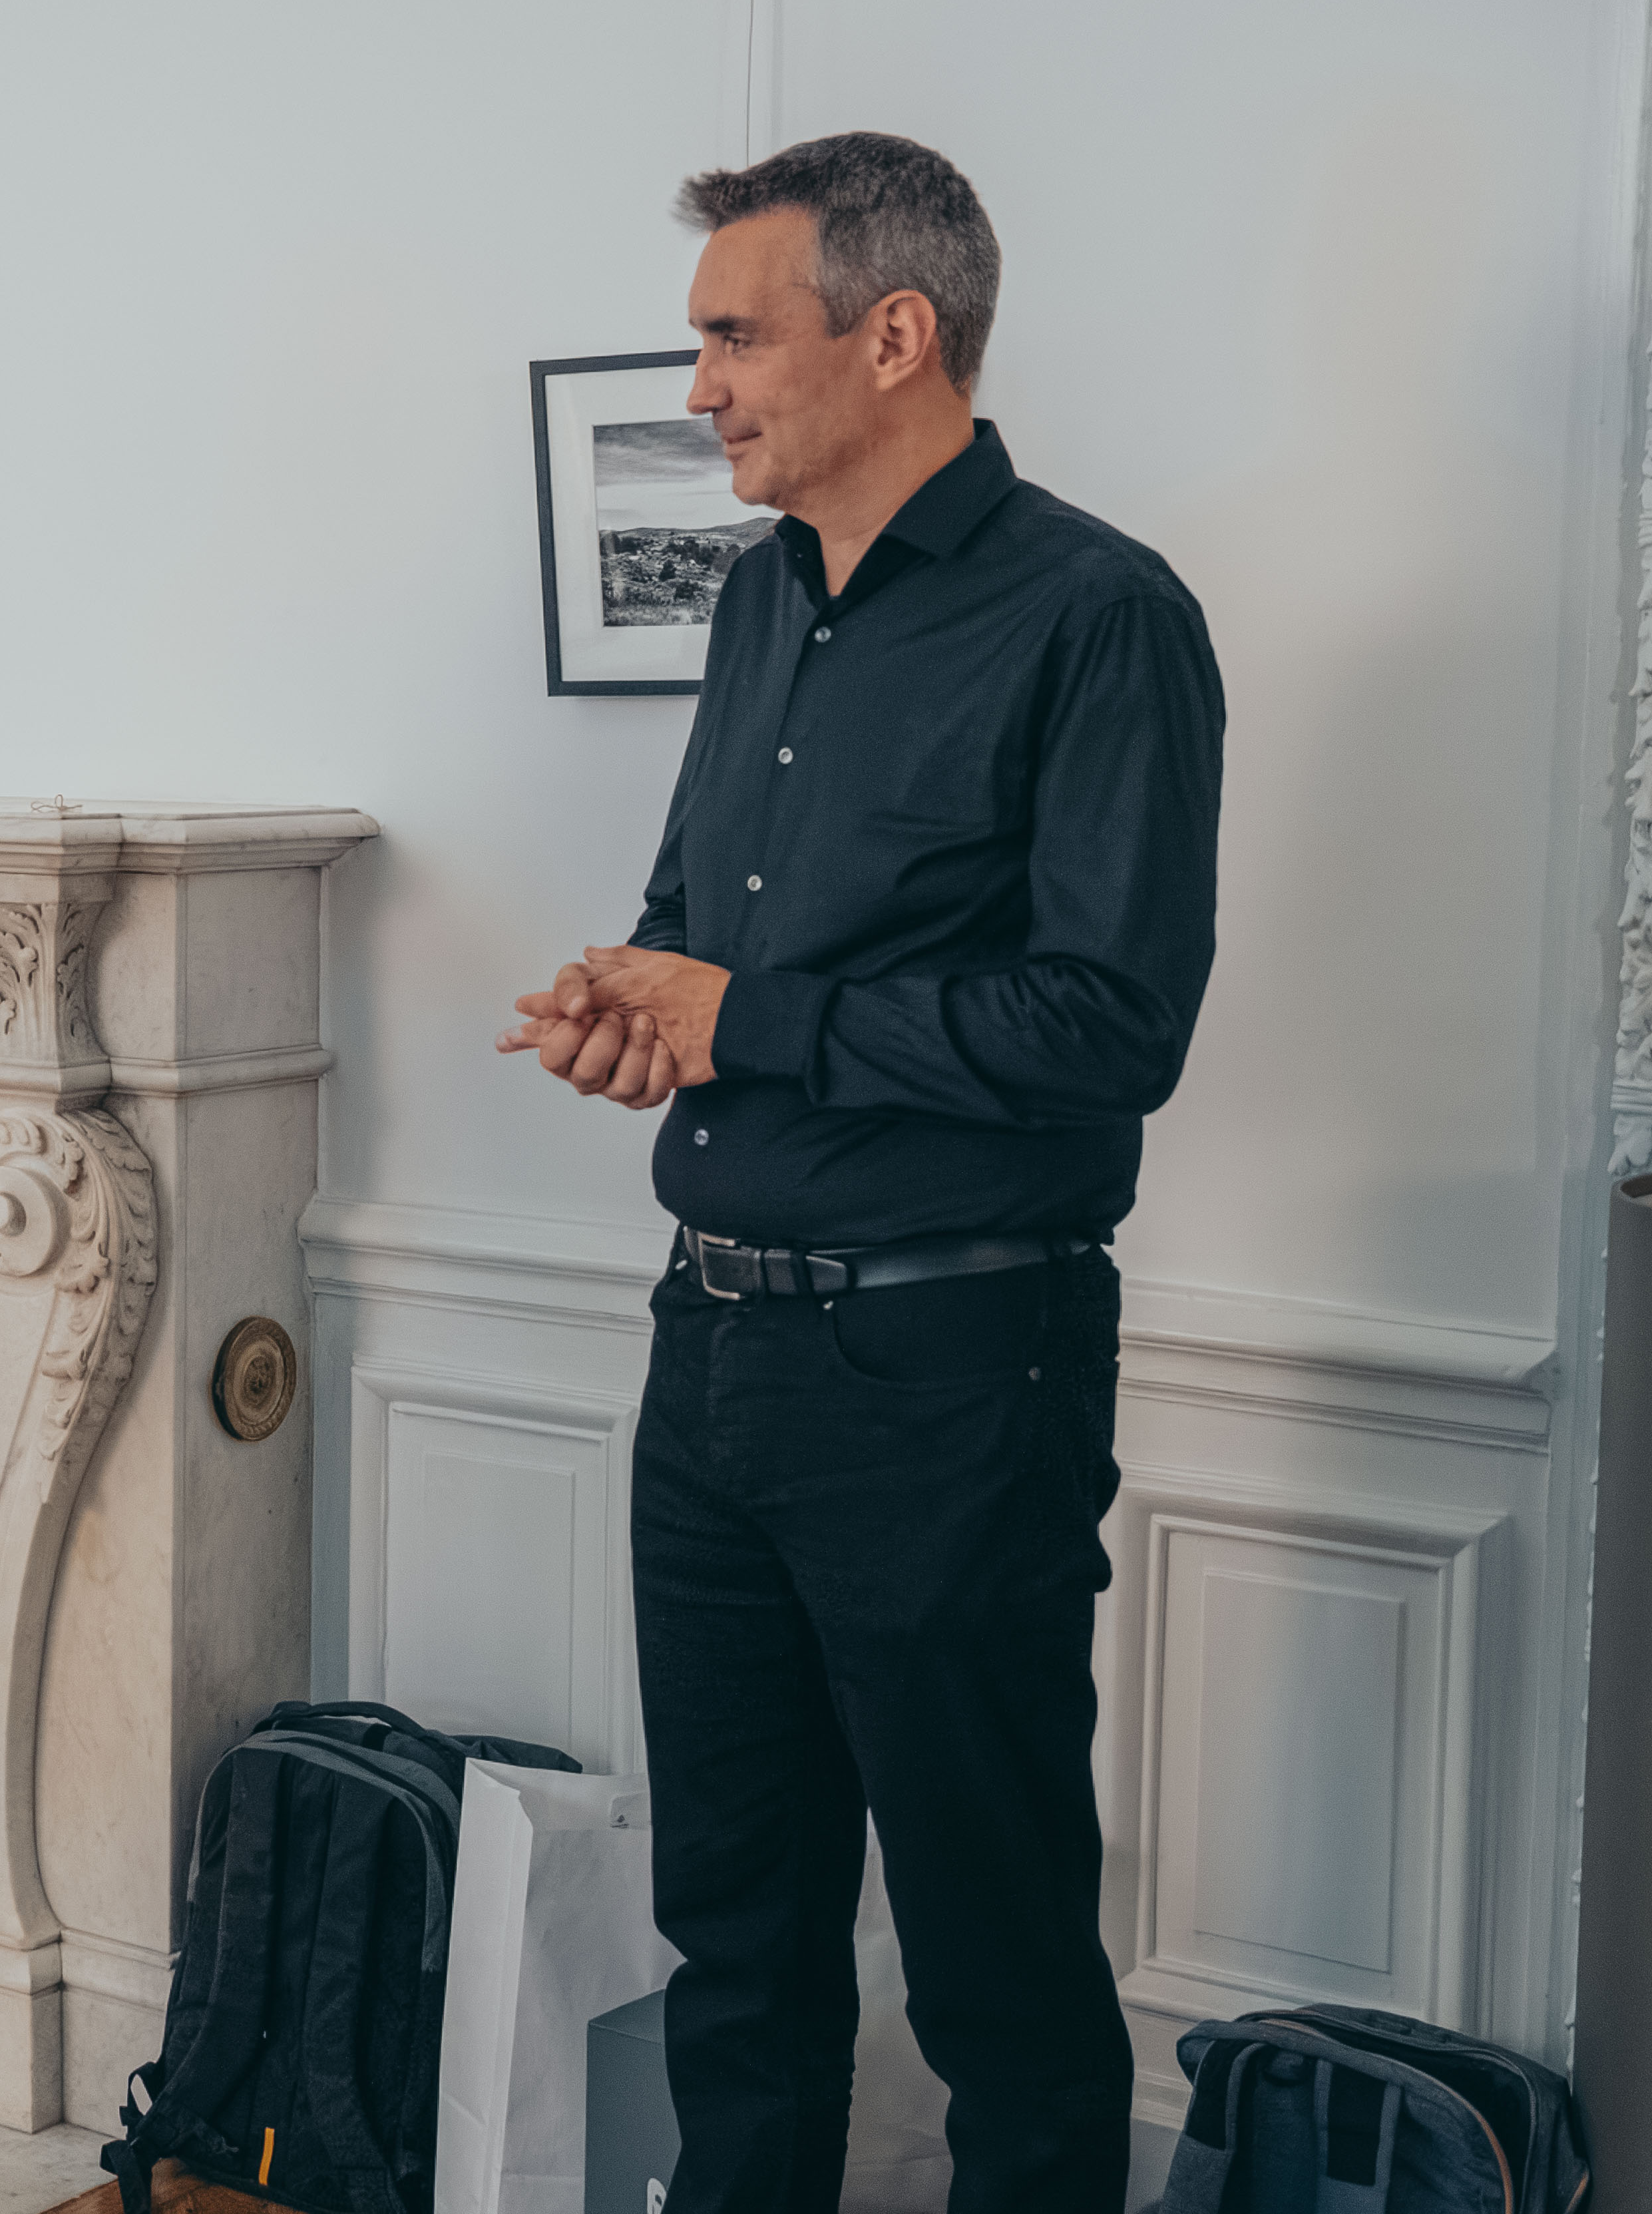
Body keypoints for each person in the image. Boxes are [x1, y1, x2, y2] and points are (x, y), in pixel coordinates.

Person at [500, 136, 1223, 2213]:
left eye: (734, 336)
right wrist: (636, 1006)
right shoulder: (754, 600)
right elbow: (699, 929)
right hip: (707, 1355)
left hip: (952, 1370)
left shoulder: (1100, 613)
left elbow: (1110, 1026)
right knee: (734, 1942)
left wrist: (751, 1017)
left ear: (893, 335)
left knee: (998, 1965)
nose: (701, 386)